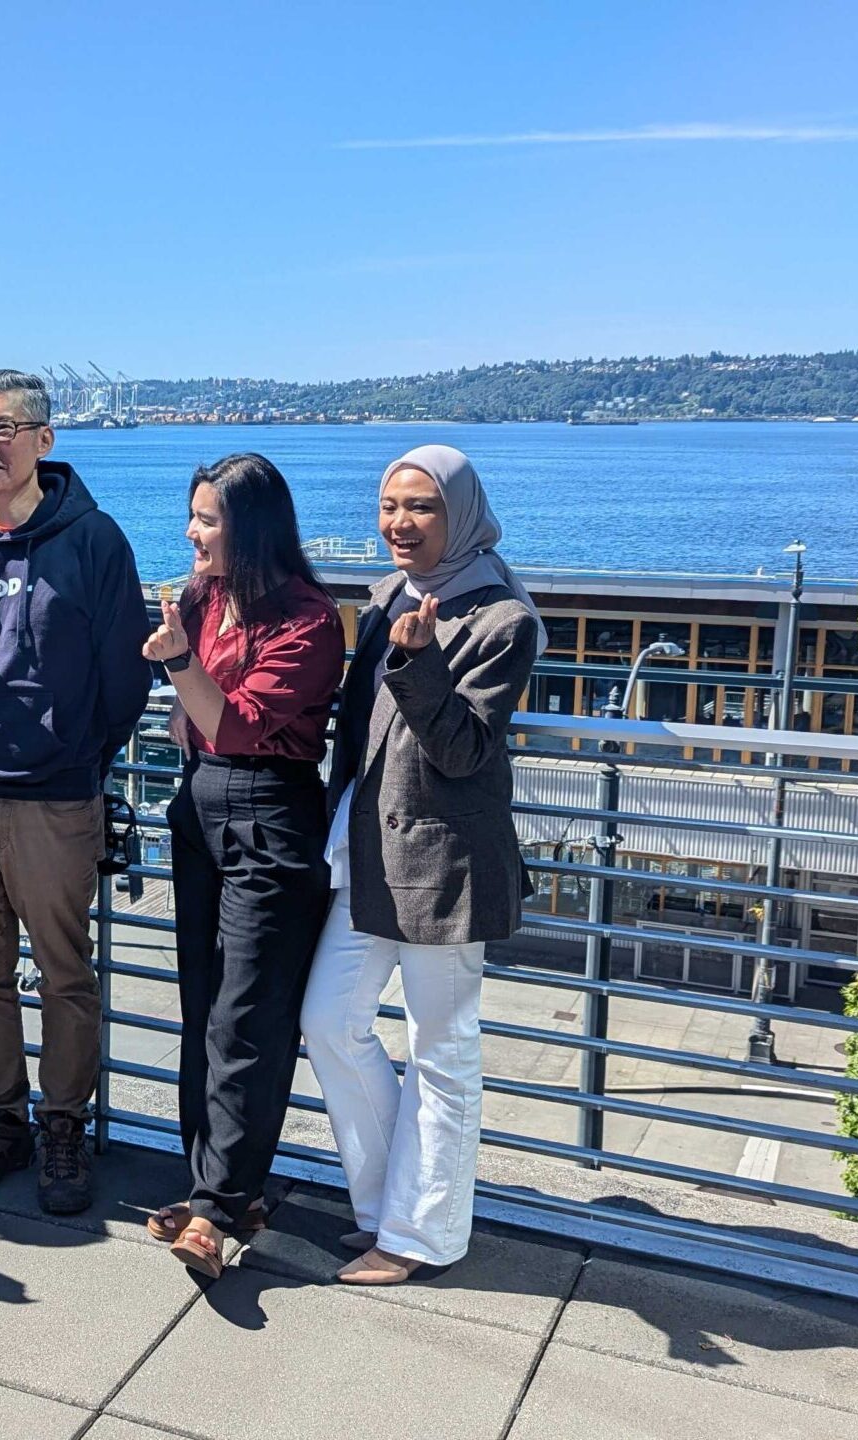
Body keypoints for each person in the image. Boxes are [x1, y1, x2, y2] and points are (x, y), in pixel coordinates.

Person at [0, 369, 151, 1214]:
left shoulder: (94, 540)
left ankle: (63, 1128)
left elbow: (125, 684)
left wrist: (73, 760)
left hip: (54, 801)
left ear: (44, 440)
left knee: (64, 975)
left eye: (3, 429)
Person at [300, 444, 544, 1284]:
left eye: (421, 508)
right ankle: (383, 1210)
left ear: (460, 515)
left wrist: (417, 661)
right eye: (389, 505)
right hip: (364, 850)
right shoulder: (383, 601)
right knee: (330, 1022)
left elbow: (464, 749)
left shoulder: (500, 620)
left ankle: (420, 1236)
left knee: (443, 1049)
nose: (399, 524)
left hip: (444, 866)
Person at [140, 455, 344, 1279]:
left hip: (269, 806)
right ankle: (215, 1188)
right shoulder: (202, 597)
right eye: (192, 516)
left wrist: (178, 661)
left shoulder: (309, 619)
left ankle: (218, 1209)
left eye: (208, 519)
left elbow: (236, 726)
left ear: (250, 528)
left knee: (247, 1016)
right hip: (200, 803)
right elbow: (197, 731)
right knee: (202, 1005)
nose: (192, 533)